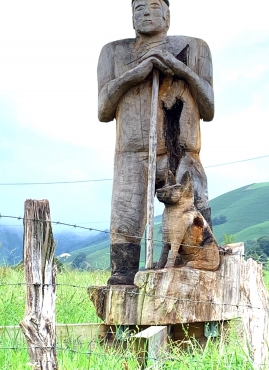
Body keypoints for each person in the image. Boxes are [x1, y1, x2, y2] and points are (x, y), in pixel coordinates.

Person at [98, 0, 214, 285]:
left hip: (183, 151)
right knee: (126, 219)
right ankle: (124, 280)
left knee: (194, 216)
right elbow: (103, 110)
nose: (146, 12)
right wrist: (133, 76)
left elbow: (209, 108)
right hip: (132, 153)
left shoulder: (196, 48)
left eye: (153, 5)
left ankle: (190, 273)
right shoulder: (113, 53)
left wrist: (180, 69)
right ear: (131, 17)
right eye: (138, 8)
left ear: (167, 14)